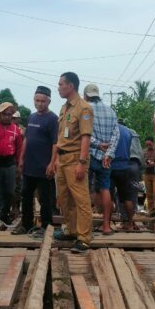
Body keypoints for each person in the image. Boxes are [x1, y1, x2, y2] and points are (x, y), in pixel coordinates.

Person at [47, 72, 94, 254]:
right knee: (65, 199)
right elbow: (61, 136)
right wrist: (57, 159)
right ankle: (71, 230)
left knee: (81, 200)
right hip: (63, 158)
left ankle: (84, 238)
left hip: (76, 158)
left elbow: (85, 137)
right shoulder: (64, 108)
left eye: (61, 84)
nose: (58, 87)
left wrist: (82, 162)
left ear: (71, 86)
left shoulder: (83, 108)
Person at [13, 86, 58, 236]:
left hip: (43, 167)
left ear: (48, 101)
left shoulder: (53, 119)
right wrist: (21, 159)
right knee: (26, 196)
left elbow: (55, 143)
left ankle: (46, 227)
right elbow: (26, 139)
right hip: (29, 166)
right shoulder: (32, 117)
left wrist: (52, 163)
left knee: (45, 199)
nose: (39, 104)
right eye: (37, 100)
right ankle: (26, 225)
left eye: (42, 101)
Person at [83, 83, 119, 235]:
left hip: (90, 155)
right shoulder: (111, 111)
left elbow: (84, 134)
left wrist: (98, 145)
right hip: (106, 159)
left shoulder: (85, 109)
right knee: (105, 189)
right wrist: (109, 153)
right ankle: (106, 226)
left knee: (84, 189)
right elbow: (116, 134)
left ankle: (84, 227)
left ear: (86, 96)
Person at [110, 121, 136, 231]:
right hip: (124, 166)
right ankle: (130, 223)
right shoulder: (128, 132)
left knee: (108, 196)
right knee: (127, 197)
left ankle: (107, 224)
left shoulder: (111, 130)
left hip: (111, 165)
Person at [143, 136, 155, 216]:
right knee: (149, 194)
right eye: (147, 144)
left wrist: (154, 163)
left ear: (152, 142)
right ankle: (151, 211)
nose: (148, 145)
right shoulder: (144, 151)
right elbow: (143, 161)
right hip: (146, 173)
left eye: (149, 144)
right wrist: (146, 163)